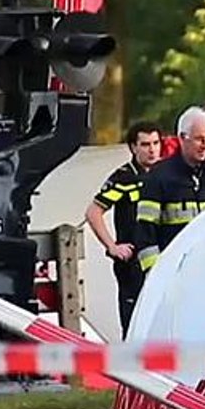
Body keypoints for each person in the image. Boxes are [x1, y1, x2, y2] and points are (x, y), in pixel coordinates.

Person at [131, 107, 205, 275]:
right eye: (199, 139)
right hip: (173, 276)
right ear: (182, 138)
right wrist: (156, 275)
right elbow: (145, 234)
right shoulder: (158, 178)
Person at [85, 122, 163, 335]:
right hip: (133, 261)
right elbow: (93, 212)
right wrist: (112, 246)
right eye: (145, 144)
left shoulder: (166, 174)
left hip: (160, 256)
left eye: (156, 143)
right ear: (133, 147)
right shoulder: (124, 177)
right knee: (133, 322)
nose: (152, 149)